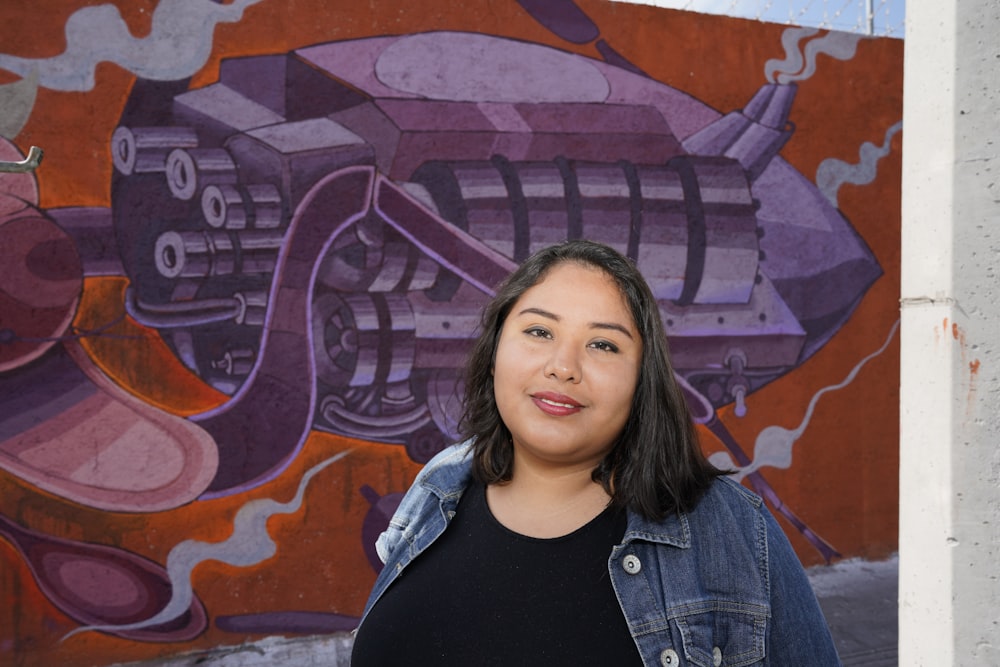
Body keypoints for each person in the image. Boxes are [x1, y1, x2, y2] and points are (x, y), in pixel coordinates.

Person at [350, 239, 841, 666]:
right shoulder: (439, 485)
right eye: (540, 331)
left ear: (641, 380)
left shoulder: (730, 529)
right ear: (497, 349)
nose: (563, 366)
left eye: (603, 344)